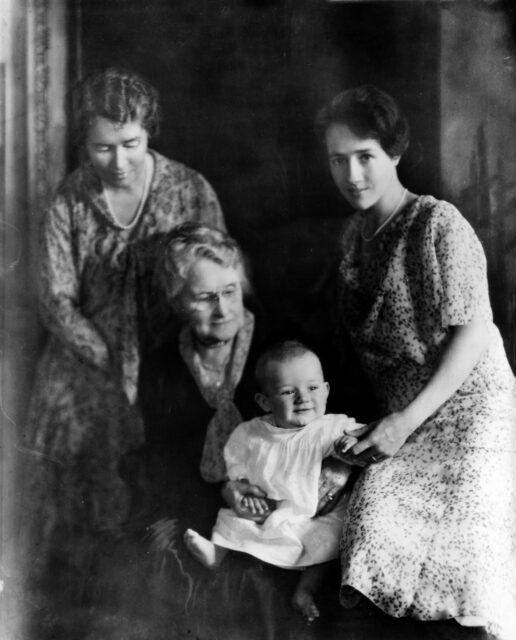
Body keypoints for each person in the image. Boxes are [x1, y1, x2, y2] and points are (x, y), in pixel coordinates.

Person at [315, 85, 516, 639]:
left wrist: (403, 422)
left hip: (474, 413)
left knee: (469, 565)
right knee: (373, 525)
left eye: (366, 157)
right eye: (339, 160)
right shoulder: (351, 244)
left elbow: (474, 333)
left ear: (395, 153)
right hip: (405, 427)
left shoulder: (437, 224)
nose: (353, 175)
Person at [21, 68, 225, 578]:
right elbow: (55, 300)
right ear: (84, 144)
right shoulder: (68, 200)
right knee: (68, 480)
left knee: (175, 464)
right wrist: (112, 359)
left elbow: (220, 276)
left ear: (149, 131)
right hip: (88, 361)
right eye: (102, 148)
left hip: (171, 359)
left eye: (130, 143)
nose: (118, 161)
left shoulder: (189, 189)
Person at [184, 340, 362, 622]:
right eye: (288, 392)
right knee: (232, 518)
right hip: (269, 507)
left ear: (326, 390)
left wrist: (353, 442)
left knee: (331, 539)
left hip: (317, 512)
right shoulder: (251, 432)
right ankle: (216, 552)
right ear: (265, 401)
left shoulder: (331, 427)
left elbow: (363, 438)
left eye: (313, 388)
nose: (303, 398)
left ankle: (305, 592)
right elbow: (236, 464)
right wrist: (243, 487)